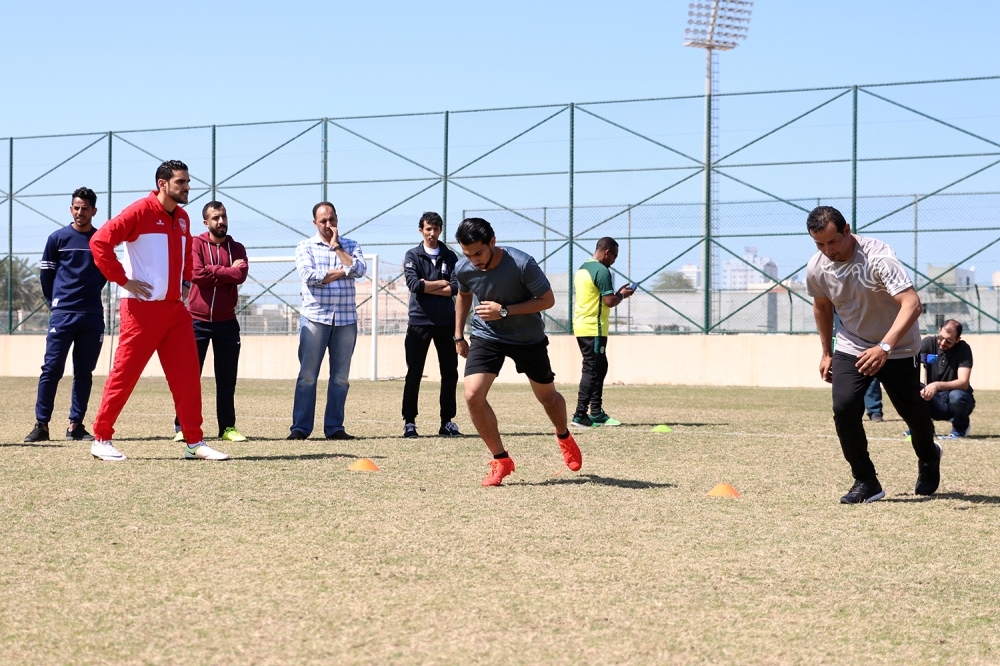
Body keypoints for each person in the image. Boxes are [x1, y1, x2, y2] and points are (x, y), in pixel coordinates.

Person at [88, 160, 229, 462]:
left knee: (188, 375)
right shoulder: (139, 211)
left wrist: (187, 281)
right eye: (181, 182)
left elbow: (188, 252)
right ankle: (101, 438)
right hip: (140, 310)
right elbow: (99, 242)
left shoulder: (183, 218)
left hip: (175, 312)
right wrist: (123, 280)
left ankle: (194, 441)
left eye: (188, 181)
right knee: (125, 374)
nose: (187, 187)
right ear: (163, 184)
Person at [806, 205, 939, 504]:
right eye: (819, 244)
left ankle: (929, 457)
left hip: (898, 347)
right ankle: (866, 481)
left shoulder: (879, 257)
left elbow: (912, 304)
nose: (828, 250)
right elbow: (823, 307)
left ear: (847, 230)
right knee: (844, 408)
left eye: (833, 241)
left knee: (913, 415)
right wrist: (827, 352)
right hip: (852, 344)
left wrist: (885, 347)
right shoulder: (816, 266)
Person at [453, 217, 582, 487]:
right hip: (487, 335)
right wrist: (458, 335)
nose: (474, 261)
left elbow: (547, 300)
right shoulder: (464, 267)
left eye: (478, 253)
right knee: (472, 394)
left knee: (549, 398)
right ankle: (501, 460)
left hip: (528, 338)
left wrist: (505, 311)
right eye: (468, 255)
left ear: (492, 241)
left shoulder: (522, 263)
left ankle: (563, 435)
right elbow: (464, 294)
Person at [24, 187, 108, 443]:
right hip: (63, 314)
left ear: (94, 211)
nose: (80, 212)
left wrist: (88, 297)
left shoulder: (101, 240)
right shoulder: (57, 239)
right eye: (76, 207)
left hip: (92, 315)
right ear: (71, 209)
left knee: (84, 372)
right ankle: (41, 425)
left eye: (85, 208)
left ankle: (76, 426)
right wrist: (56, 303)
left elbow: (106, 273)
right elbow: (46, 276)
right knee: (51, 369)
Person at [289, 202, 367, 440]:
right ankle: (300, 428)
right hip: (315, 318)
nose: (328, 224)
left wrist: (337, 249)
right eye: (323, 221)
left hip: (345, 320)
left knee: (341, 378)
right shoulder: (305, 247)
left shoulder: (351, 245)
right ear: (314, 222)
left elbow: (361, 269)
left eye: (331, 219)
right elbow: (310, 276)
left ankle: (334, 427)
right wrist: (345, 271)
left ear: (337, 219)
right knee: (307, 376)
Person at [172, 201, 249, 443]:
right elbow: (196, 274)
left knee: (226, 378)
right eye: (216, 218)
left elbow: (241, 274)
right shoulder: (195, 243)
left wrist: (213, 271)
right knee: (189, 378)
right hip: (196, 322)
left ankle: (227, 427)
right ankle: (183, 427)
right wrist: (226, 271)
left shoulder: (237, 247)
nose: (221, 221)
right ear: (206, 222)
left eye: (224, 216)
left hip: (227, 322)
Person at [400, 211, 462, 438]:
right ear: (421, 230)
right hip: (419, 322)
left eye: (436, 229)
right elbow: (415, 285)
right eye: (428, 229)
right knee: (414, 373)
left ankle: (447, 421)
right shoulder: (412, 255)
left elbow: (455, 288)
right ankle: (409, 422)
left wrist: (430, 285)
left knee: (450, 372)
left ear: (440, 230)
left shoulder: (450, 256)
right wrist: (440, 284)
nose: (432, 233)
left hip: (446, 322)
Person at [570, 237, 635, 428]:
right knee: (592, 369)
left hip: (582, 325)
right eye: (614, 256)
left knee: (600, 366)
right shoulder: (602, 270)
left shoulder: (583, 268)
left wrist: (617, 293)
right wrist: (622, 295)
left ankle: (596, 412)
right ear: (607, 252)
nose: (614, 260)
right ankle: (580, 414)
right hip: (593, 327)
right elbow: (609, 301)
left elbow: (599, 296)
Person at [919, 319, 974, 439]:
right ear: (939, 331)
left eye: (949, 341)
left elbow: (963, 383)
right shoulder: (928, 343)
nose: (943, 343)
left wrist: (936, 385)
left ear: (957, 340)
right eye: (940, 338)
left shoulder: (963, 349)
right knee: (911, 387)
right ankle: (922, 428)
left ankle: (960, 428)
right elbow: (912, 364)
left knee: (958, 396)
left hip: (954, 402)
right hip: (933, 400)